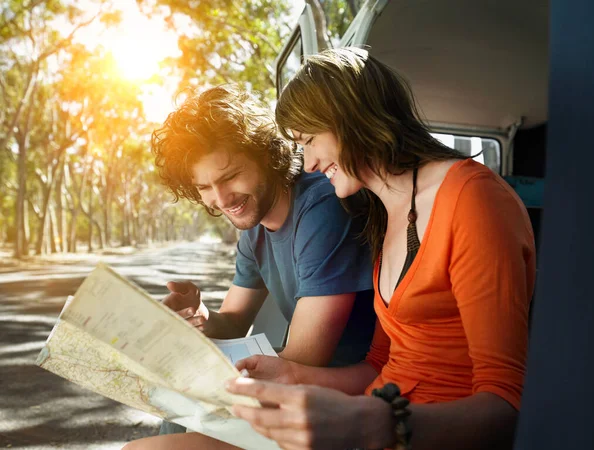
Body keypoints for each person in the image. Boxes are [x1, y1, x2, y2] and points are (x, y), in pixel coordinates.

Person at [225, 47, 536, 450]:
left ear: (351, 116)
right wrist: (294, 376)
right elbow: (379, 366)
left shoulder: (471, 199)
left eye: (310, 141)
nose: (309, 163)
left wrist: (377, 424)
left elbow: (508, 406)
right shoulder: (384, 214)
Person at [123, 84, 376, 449]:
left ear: (266, 155)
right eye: (204, 187)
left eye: (229, 178)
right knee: (172, 417)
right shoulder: (253, 231)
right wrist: (200, 316)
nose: (221, 199)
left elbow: (306, 358)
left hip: (340, 397)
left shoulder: (322, 207)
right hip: (298, 382)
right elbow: (233, 322)